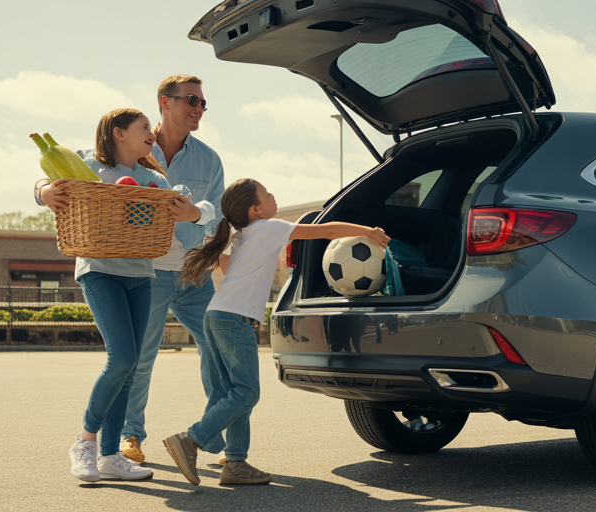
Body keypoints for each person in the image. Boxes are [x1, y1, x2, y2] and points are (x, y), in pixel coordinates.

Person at [161, 179, 390, 486]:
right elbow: (329, 231)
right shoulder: (269, 228)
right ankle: (191, 440)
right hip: (234, 319)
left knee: (236, 393)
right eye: (267, 194)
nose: (273, 196)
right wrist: (368, 232)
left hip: (216, 316)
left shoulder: (244, 235)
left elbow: (230, 268)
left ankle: (236, 463)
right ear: (255, 210)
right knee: (247, 393)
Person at [34, 108, 204, 482]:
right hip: (99, 271)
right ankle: (84, 442)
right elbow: (44, 183)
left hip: (141, 273)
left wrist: (186, 211)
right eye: (144, 128)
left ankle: (110, 456)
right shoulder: (87, 166)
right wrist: (43, 192)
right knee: (123, 356)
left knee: (130, 367)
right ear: (118, 133)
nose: (151, 134)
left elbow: (162, 217)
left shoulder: (151, 177)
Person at [116, 75, 226, 465]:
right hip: (147, 270)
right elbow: (82, 171)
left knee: (216, 349)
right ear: (165, 102)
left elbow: (217, 218)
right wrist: (43, 190)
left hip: (193, 272)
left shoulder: (210, 160)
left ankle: (209, 433)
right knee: (141, 356)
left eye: (202, 102)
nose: (198, 108)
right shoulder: (132, 147)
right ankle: (130, 435)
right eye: (191, 100)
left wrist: (198, 213)